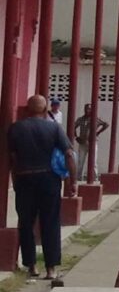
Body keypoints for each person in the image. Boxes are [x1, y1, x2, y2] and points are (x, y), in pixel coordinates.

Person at [8, 95, 76, 279]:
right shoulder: (54, 128)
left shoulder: (16, 128)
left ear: (27, 109)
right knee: (50, 223)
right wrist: (72, 181)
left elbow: (12, 158)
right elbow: (69, 155)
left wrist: (15, 179)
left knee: (26, 222)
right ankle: (51, 268)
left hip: (24, 179)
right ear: (46, 110)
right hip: (48, 179)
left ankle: (31, 266)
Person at [73, 103, 108, 182]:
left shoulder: (96, 119)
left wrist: (98, 132)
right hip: (82, 142)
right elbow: (73, 126)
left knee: (93, 162)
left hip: (92, 142)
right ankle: (79, 177)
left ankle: (94, 178)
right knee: (80, 161)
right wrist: (76, 137)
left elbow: (106, 124)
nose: (87, 110)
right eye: (86, 108)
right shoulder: (81, 119)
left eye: (89, 108)